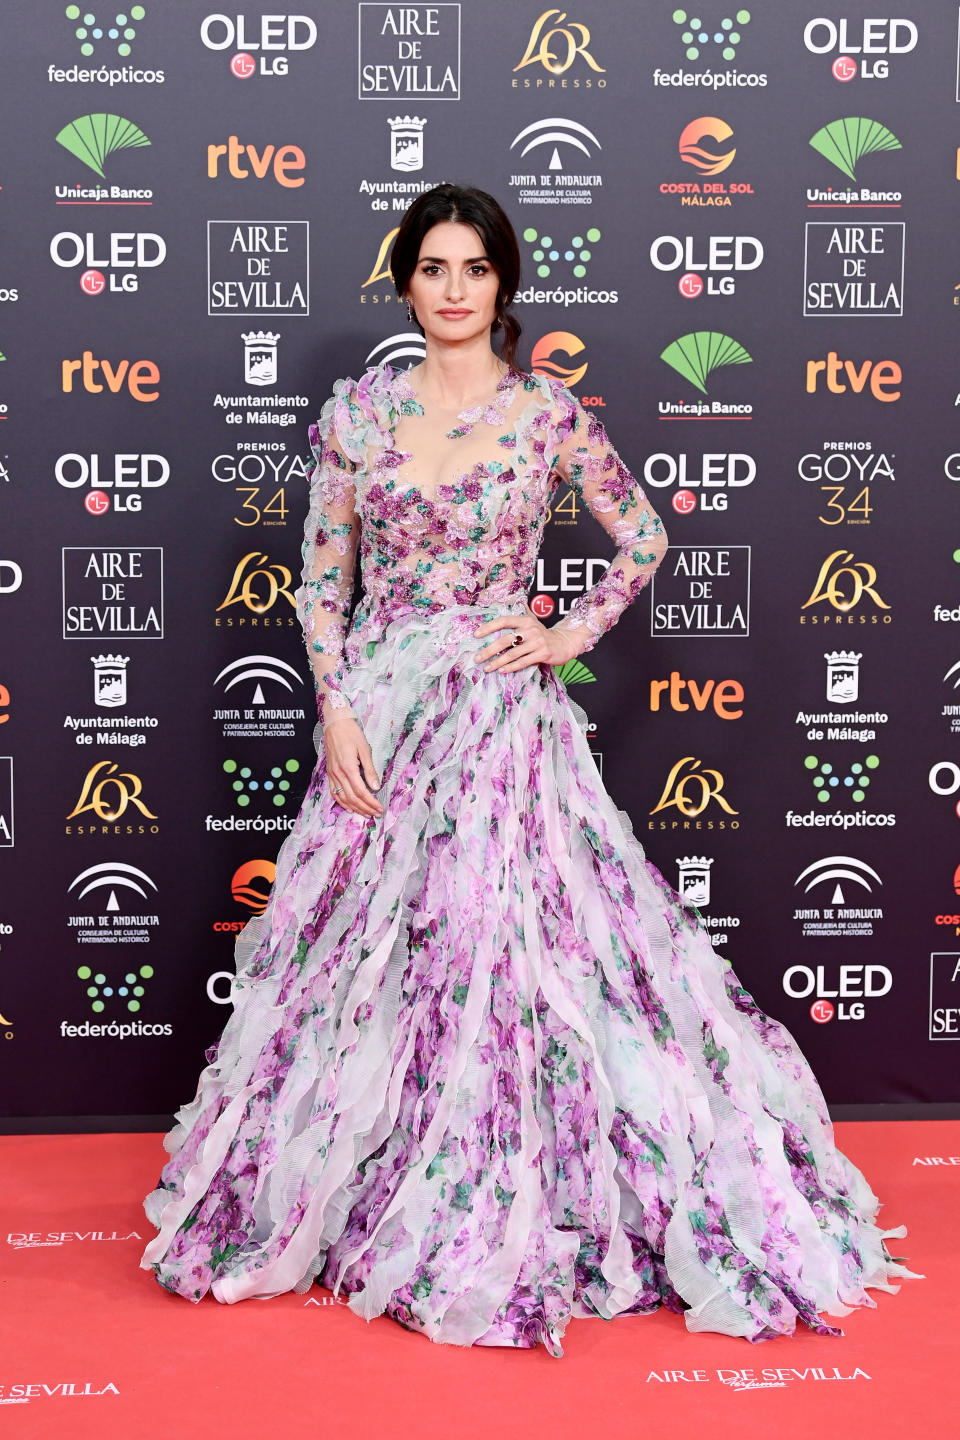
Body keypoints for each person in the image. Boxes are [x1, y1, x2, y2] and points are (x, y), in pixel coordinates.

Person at [141, 184, 917, 1356]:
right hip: (389, 720)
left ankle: (520, 1186)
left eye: (475, 269)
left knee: (505, 944)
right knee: (376, 955)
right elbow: (320, 583)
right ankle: (370, 1191)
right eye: (434, 268)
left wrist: (565, 632)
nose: (454, 290)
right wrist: (335, 710)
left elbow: (644, 534)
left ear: (504, 284)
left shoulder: (547, 415)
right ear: (405, 281)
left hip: (504, 720)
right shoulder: (358, 417)